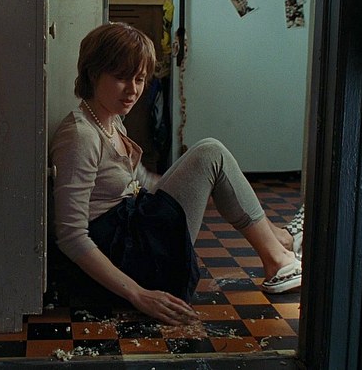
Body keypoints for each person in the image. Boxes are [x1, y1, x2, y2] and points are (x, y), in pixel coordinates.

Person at [49, 22, 302, 326]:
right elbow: (71, 237)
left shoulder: (111, 120)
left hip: (132, 232)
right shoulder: (80, 135)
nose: (133, 90)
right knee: (210, 153)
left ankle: (280, 240)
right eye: (121, 78)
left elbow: (141, 182)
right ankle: (278, 257)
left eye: (139, 79)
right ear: (93, 74)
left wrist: (198, 186)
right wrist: (139, 294)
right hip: (125, 257)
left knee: (210, 162)